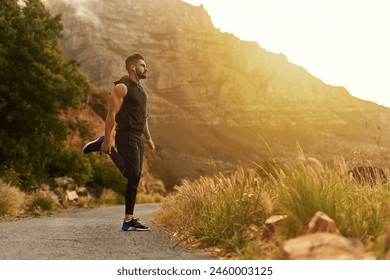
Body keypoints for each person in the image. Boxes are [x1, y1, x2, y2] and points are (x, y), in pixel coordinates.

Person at [82, 54, 155, 231]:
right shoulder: (122, 87)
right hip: (126, 134)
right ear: (133, 67)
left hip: (137, 138)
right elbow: (111, 114)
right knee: (133, 173)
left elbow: (143, 117)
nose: (146, 69)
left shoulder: (141, 91)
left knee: (134, 177)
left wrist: (149, 138)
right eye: (143, 66)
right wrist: (108, 138)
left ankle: (128, 220)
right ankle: (104, 146)